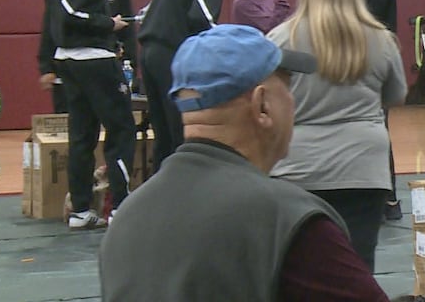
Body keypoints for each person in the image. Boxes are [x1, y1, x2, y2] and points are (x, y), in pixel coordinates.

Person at [97, 24, 393, 302]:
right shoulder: (286, 219)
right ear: (262, 105)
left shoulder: (126, 220)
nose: (293, 102)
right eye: (288, 87)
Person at [268, 0, 407, 271]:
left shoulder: (280, 39)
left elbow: (266, 100)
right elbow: (397, 95)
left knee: (298, 270)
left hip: (296, 169)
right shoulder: (381, 39)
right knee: (357, 270)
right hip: (363, 171)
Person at [47, 0, 137, 229]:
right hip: (92, 59)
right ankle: (121, 206)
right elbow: (71, 13)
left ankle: (81, 209)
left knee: (83, 133)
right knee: (122, 128)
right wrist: (107, 23)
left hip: (71, 60)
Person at [137, 0, 244, 171]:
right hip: (172, 54)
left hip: (149, 52)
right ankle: (186, 183)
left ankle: (162, 186)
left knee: (162, 133)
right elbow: (202, 16)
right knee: (181, 131)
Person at [329, 0, 403, 220]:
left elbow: (370, 25)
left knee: (375, 132)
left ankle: (389, 199)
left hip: (372, 67)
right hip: (364, 64)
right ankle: (384, 199)